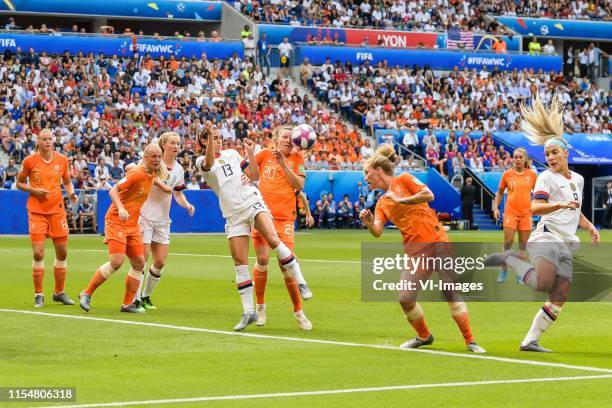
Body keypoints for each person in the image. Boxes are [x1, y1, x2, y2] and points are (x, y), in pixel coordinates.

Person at [484, 94, 599, 352]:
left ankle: (530, 340)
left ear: (565, 153)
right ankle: (510, 259)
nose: (550, 157)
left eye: (554, 152)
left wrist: (590, 226)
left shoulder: (578, 180)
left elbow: (574, 211)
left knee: (560, 295)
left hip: (567, 242)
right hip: (547, 237)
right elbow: (535, 207)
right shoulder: (546, 178)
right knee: (543, 284)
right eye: (547, 154)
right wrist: (558, 205)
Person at [359, 145, 485, 353]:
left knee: (449, 289)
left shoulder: (404, 180)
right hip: (415, 251)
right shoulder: (381, 202)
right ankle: (424, 336)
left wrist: (402, 200)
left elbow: (429, 195)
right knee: (405, 298)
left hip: (437, 241)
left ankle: (470, 340)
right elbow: (378, 231)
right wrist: (369, 223)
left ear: (379, 170)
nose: (365, 178)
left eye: (367, 173)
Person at [194, 122, 309, 331]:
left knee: (274, 242)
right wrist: (210, 136)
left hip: (254, 203)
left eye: (220, 137)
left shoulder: (233, 154)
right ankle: (250, 311)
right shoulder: (201, 160)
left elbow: (254, 176)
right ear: (204, 141)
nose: (219, 141)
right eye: (214, 137)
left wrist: (249, 153)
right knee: (241, 262)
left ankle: (301, 283)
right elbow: (209, 163)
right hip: (232, 213)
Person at [79, 144, 164, 313]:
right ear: (145, 158)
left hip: (132, 224)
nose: (157, 160)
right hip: (116, 220)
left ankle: (127, 304)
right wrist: (121, 208)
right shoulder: (137, 173)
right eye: (153, 156)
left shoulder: (152, 173)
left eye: (159, 156)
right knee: (117, 261)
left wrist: (168, 188)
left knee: (139, 262)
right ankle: (86, 293)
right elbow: (113, 190)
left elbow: (155, 178)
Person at [251, 126, 313, 330]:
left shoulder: (297, 159)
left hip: (285, 219)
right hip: (262, 215)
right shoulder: (264, 155)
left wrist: (283, 165)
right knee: (261, 260)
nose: (288, 140)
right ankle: (260, 308)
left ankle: (299, 312)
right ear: (277, 138)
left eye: (291, 137)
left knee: (287, 266)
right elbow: (250, 174)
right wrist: (249, 160)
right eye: (285, 136)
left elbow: (300, 186)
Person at [132, 132, 195, 310]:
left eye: (178, 143)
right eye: (172, 143)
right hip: (144, 216)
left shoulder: (179, 169)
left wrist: (187, 204)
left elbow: (178, 194)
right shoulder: (151, 163)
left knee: (159, 262)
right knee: (141, 260)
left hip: (162, 220)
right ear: (164, 144)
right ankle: (134, 299)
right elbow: (134, 173)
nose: (176, 146)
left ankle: (145, 297)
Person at [16, 129, 78, 307]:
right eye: (44, 139)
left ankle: (59, 292)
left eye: (50, 139)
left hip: (57, 212)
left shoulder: (62, 160)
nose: (48, 142)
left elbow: (66, 181)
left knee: (62, 252)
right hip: (36, 212)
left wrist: (71, 193)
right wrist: (33, 191)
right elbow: (19, 183)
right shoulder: (29, 161)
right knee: (38, 253)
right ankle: (39, 295)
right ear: (38, 142)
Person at [493, 148, 537, 283]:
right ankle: (504, 270)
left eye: (520, 157)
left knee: (523, 244)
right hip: (510, 213)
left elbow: (539, 193)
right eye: (515, 157)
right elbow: (499, 192)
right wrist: (496, 208)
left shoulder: (532, 175)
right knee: (508, 242)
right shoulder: (507, 174)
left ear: (525, 160)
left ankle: (521, 274)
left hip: (526, 214)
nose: (517, 159)